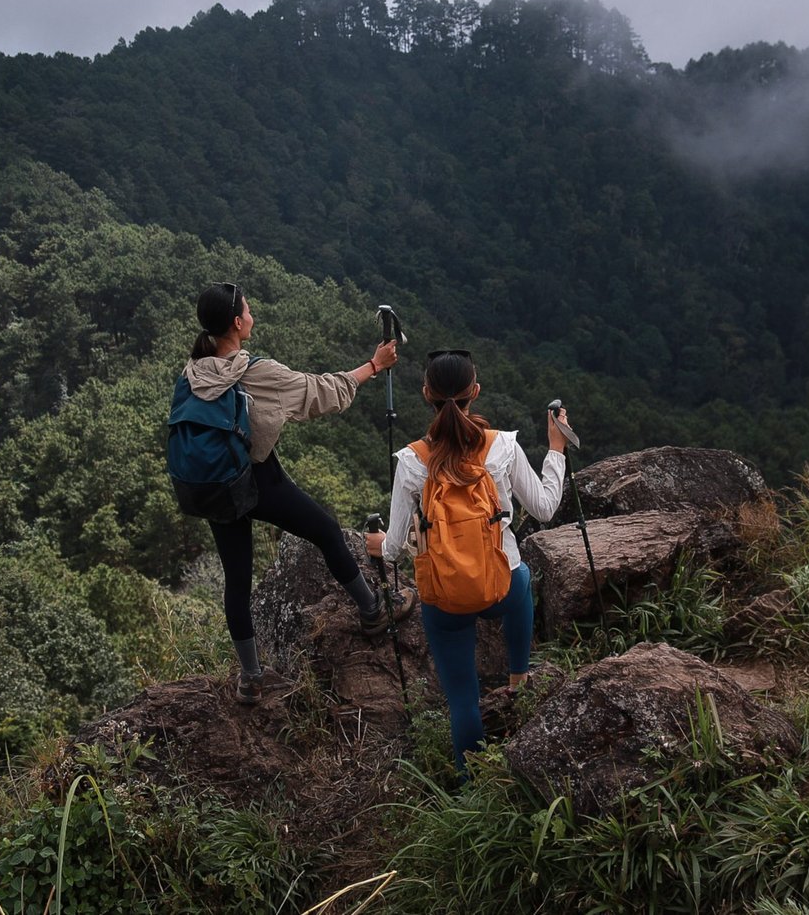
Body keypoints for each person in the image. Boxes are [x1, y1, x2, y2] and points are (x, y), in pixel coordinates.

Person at [183, 281, 414, 705]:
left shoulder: (194, 371)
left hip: (217, 486)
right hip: (256, 478)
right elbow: (322, 391)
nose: (252, 315)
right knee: (326, 531)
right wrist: (374, 365)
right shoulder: (255, 372)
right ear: (237, 323)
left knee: (237, 581)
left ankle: (251, 678)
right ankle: (372, 611)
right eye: (248, 311)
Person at [366, 351, 567, 774]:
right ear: (475, 392)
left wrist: (379, 544)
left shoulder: (411, 462)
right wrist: (556, 450)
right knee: (522, 577)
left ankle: (471, 787)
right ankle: (519, 679)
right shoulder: (503, 448)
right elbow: (546, 508)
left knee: (462, 700)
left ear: (426, 395)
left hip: (445, 599)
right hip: (502, 588)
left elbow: (396, 546)